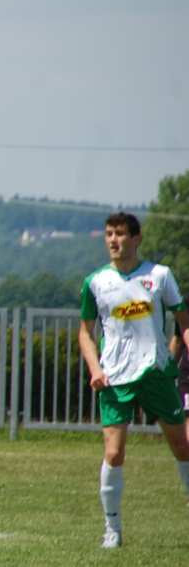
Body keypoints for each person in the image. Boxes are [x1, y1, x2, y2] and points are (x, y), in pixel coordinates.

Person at [78, 212, 189, 549]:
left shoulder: (159, 276)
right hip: (114, 378)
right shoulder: (95, 282)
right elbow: (85, 332)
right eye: (109, 234)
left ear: (137, 239)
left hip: (155, 373)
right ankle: (112, 530)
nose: (114, 240)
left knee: (182, 446)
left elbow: (183, 322)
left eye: (121, 234)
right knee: (114, 453)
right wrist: (95, 368)